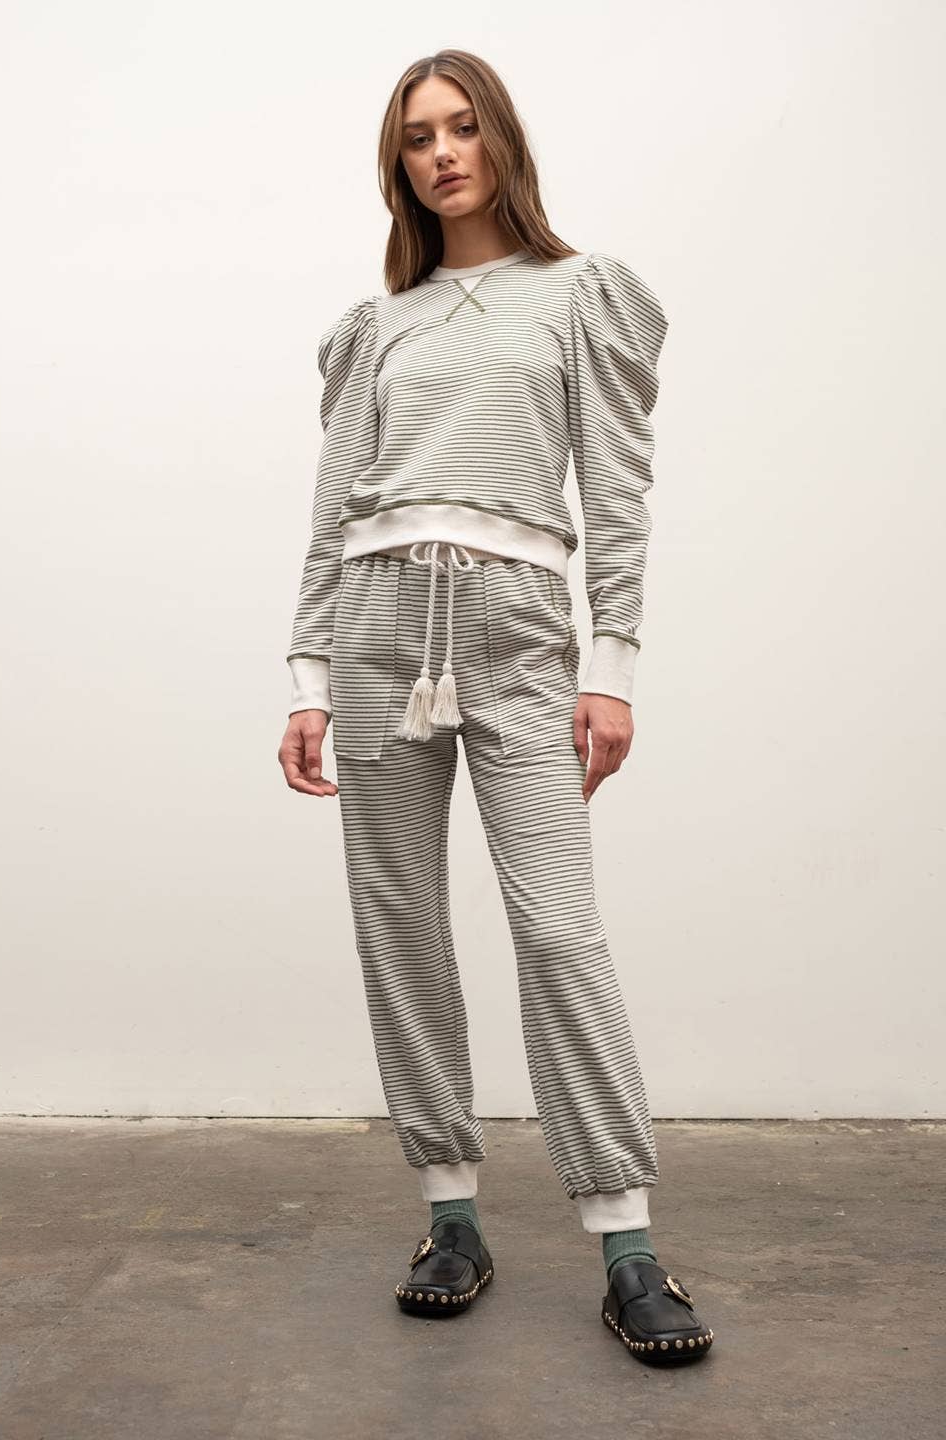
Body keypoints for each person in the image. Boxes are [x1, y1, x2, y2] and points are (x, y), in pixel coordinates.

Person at [277, 49, 714, 1365]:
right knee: (400, 926)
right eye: (418, 137)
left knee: (558, 930)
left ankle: (627, 1245)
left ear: (503, 141)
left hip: (520, 630)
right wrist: (306, 677)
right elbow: (333, 507)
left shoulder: (580, 295)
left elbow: (618, 491)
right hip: (374, 628)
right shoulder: (377, 327)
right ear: (398, 165)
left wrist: (611, 667)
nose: (442, 153)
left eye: (462, 128)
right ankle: (450, 1217)